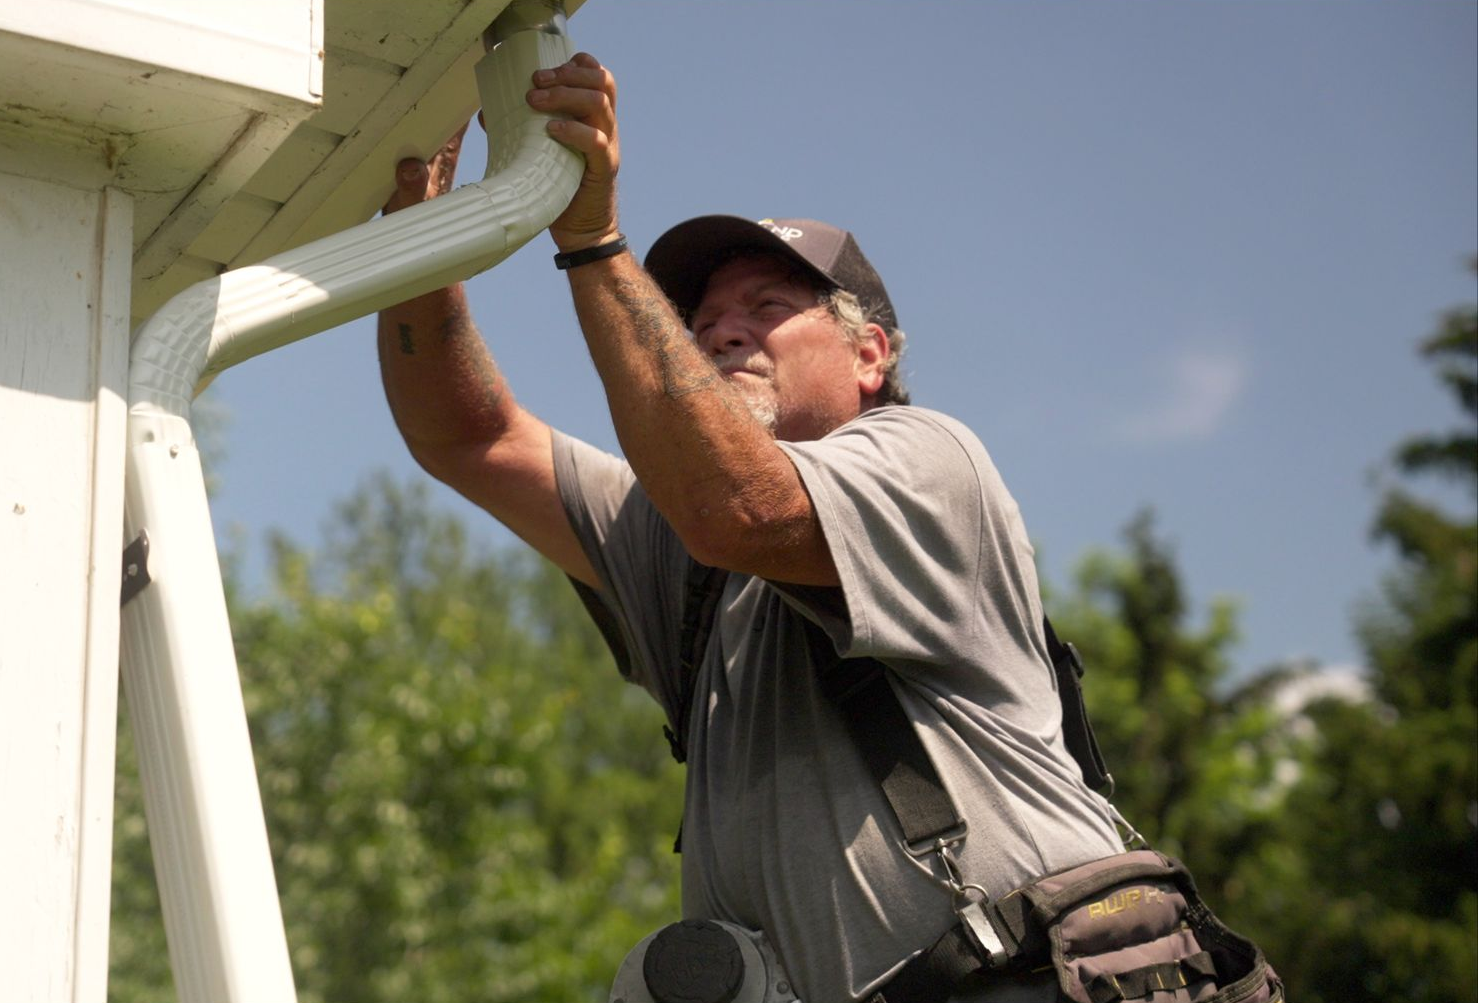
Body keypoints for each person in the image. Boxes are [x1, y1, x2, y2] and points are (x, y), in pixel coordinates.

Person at [375, 53, 1124, 1003]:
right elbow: (470, 435)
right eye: (701, 321)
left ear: (869, 353)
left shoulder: (931, 462)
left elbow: (742, 507)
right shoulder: (675, 545)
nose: (722, 331)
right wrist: (423, 248)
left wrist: (595, 239)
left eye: (767, 306)